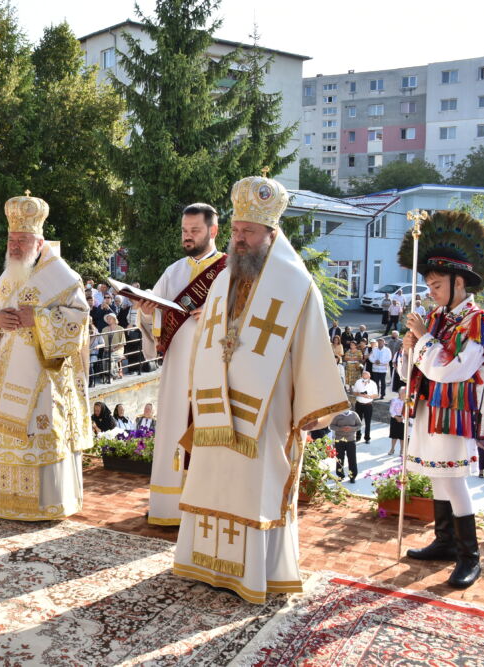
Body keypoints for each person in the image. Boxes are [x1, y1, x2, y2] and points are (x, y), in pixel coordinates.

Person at [173, 173, 348, 603]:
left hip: (267, 409)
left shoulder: (297, 286)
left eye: (248, 232)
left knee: (257, 488)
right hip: (218, 403)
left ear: (271, 233)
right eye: (235, 231)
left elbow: (312, 349)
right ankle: (205, 564)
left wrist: (306, 409)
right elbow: (211, 339)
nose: (239, 240)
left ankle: (254, 574)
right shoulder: (222, 280)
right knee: (212, 481)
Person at [397, 209, 484, 589]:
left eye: (437, 285)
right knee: (436, 475)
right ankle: (444, 541)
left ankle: (469, 556)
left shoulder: (479, 323)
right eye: (428, 285)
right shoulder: (439, 319)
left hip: (456, 413)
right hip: (429, 409)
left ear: (460, 283)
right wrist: (408, 348)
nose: (431, 292)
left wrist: (423, 339)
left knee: (454, 480)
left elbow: (450, 370)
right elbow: (413, 371)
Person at [0, 192, 91, 521]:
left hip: (44, 377)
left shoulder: (63, 278)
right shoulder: (6, 277)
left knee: (39, 430)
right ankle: (5, 501)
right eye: (12, 239)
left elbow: (80, 322)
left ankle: (47, 504)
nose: (14, 246)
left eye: (22, 240)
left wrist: (39, 319)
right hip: (6, 374)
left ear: (39, 241)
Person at [137, 202, 226, 526]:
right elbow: (154, 327)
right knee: (174, 431)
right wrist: (147, 313)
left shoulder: (232, 273)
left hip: (214, 373)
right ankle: (169, 508)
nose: (188, 236)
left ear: (213, 231)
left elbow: (244, 321)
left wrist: (219, 314)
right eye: (184, 231)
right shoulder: (173, 272)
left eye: (195, 231)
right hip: (176, 374)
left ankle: (204, 509)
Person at [330, 407, 361, 483]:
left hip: (351, 440)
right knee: (339, 459)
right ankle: (340, 475)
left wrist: (351, 428)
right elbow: (331, 426)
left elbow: (359, 425)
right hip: (339, 440)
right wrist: (341, 428)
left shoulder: (354, 415)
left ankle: (352, 476)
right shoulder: (337, 415)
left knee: (352, 459)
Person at [352, 370, 379, 443]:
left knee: (368, 422)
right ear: (361, 376)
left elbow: (376, 395)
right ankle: (358, 436)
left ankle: (367, 438)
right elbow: (354, 392)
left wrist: (369, 396)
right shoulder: (358, 382)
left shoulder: (373, 384)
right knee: (358, 421)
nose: (365, 379)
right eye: (363, 378)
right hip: (359, 404)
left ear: (369, 377)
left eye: (366, 378)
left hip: (368, 405)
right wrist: (359, 394)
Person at [102, 313, 126, 380]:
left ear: (114, 319)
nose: (108, 320)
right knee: (104, 357)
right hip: (107, 349)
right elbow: (102, 342)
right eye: (107, 318)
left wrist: (114, 349)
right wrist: (106, 349)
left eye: (110, 318)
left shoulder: (120, 328)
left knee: (111, 357)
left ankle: (113, 375)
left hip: (118, 349)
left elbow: (122, 343)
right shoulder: (104, 329)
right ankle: (107, 375)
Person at [388, 387, 406, 456]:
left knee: (402, 436)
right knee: (394, 435)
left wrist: (403, 418)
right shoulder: (394, 400)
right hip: (395, 419)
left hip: (403, 419)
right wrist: (396, 417)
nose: (403, 394)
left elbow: (410, 410)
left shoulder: (408, 401)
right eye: (402, 392)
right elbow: (391, 410)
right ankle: (392, 449)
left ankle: (402, 450)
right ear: (399, 393)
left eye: (404, 392)